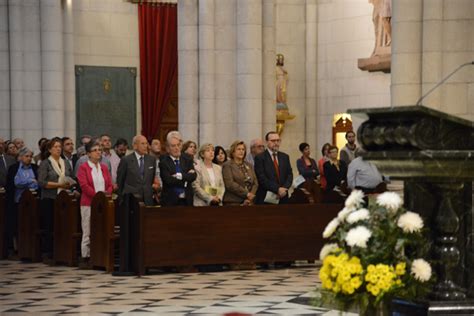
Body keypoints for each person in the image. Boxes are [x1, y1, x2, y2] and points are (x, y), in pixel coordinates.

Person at [77, 142, 113, 267]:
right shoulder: (83, 167)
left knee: (102, 229)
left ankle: (100, 255)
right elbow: (84, 186)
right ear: (88, 154)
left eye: (100, 150)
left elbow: (109, 185)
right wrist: (98, 197)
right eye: (95, 150)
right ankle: (86, 257)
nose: (98, 152)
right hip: (88, 203)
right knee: (88, 229)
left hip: (103, 204)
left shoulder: (103, 167)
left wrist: (105, 196)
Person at [38, 139, 74, 262]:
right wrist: (59, 185)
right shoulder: (45, 163)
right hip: (49, 198)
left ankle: (62, 251)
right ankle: (48, 252)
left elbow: (71, 177)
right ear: (49, 149)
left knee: (62, 225)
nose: (58, 149)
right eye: (55, 147)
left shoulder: (65, 163)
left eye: (59, 146)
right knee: (49, 225)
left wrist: (69, 184)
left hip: (63, 199)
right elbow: (42, 182)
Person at [5, 147, 38, 257]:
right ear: (20, 157)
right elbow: (16, 183)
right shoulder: (13, 168)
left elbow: (37, 184)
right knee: (17, 225)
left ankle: (31, 249)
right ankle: (16, 249)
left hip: (32, 202)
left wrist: (29, 183)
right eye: (27, 156)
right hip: (17, 201)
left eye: (30, 156)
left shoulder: (35, 168)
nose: (29, 159)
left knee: (31, 225)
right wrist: (30, 181)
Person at [116, 135, 159, 206]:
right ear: (135, 146)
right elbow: (120, 181)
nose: (145, 146)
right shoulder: (126, 160)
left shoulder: (151, 160)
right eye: (142, 144)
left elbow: (151, 180)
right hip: (130, 200)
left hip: (147, 200)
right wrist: (121, 199)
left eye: (146, 143)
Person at [254, 131, 293, 204]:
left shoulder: (285, 157)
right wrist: (277, 189)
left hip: (283, 197)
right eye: (273, 141)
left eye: (278, 140)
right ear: (266, 142)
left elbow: (289, 175)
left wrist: (284, 189)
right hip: (267, 197)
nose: (276, 143)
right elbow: (261, 178)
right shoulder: (260, 158)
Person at [159, 131, 196, 206]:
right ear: (168, 148)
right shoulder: (163, 162)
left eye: (178, 145)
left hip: (187, 201)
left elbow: (193, 176)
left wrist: (179, 176)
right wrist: (186, 179)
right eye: (173, 146)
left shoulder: (187, 159)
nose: (177, 148)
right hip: (170, 202)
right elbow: (169, 181)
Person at [222, 140, 258, 206]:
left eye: (243, 149)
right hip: (233, 201)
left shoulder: (249, 165)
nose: (241, 151)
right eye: (238, 149)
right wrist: (247, 194)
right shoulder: (227, 165)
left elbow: (255, 182)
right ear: (233, 152)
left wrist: (250, 196)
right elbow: (230, 184)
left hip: (249, 201)